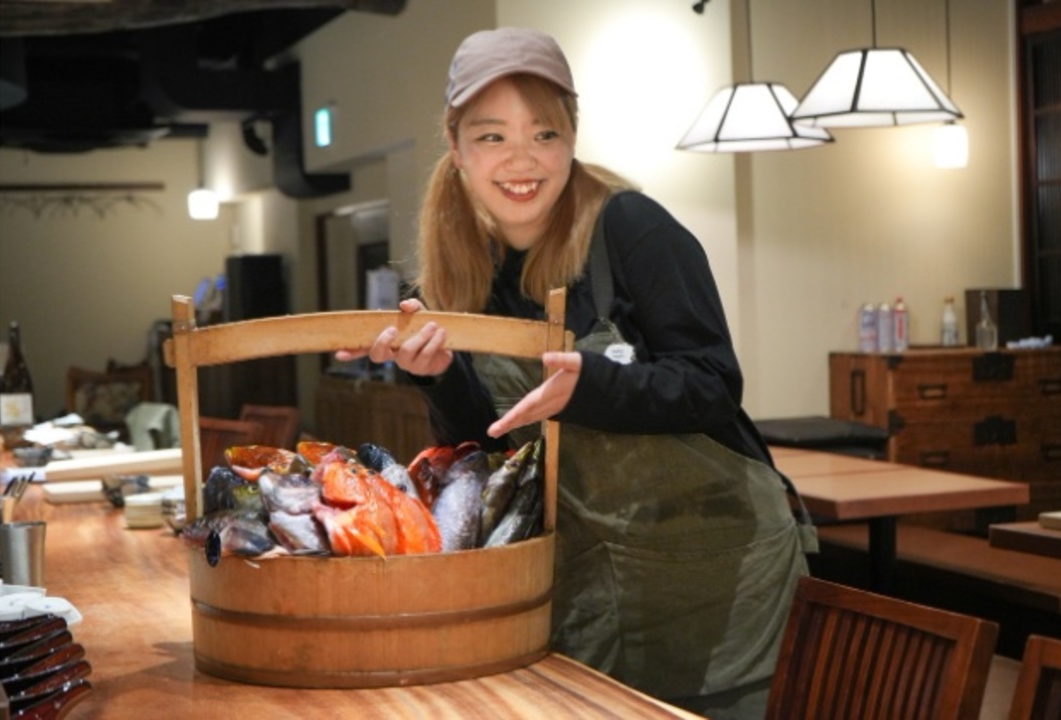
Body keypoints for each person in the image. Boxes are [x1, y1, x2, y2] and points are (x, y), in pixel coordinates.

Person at [336, 26, 813, 719]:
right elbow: (498, 449)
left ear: (572, 137)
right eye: (492, 135)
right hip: (588, 593)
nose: (521, 159)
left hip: (717, 587)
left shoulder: (632, 229)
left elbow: (713, 383)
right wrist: (436, 376)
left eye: (545, 134)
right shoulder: (463, 268)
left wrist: (593, 386)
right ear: (457, 146)